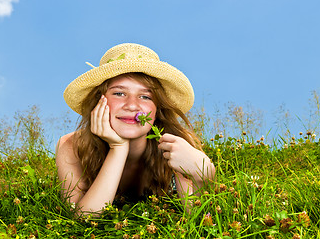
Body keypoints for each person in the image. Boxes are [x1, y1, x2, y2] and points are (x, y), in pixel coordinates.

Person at [56, 43, 215, 215]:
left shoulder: (175, 145)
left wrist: (204, 174)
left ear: (157, 109)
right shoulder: (71, 146)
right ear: (98, 101)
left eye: (145, 96)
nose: (132, 106)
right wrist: (118, 148)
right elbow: (82, 218)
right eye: (119, 93)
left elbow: (198, 218)